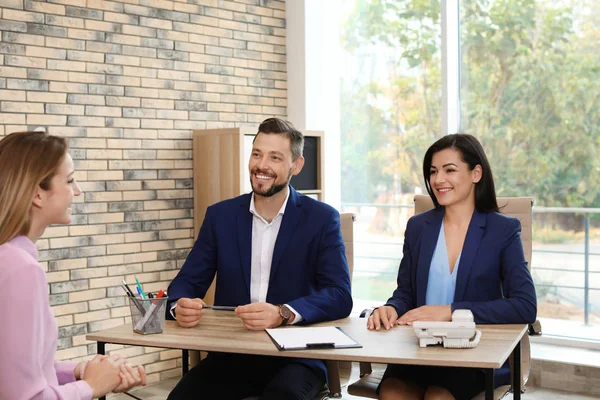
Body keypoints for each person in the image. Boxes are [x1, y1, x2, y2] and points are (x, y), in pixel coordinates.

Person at [166, 118, 353, 400]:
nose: (261, 165)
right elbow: (185, 285)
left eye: (275, 157)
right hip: (234, 353)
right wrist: (177, 306)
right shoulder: (221, 217)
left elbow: (340, 295)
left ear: (296, 165)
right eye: (257, 154)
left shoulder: (321, 219)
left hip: (297, 357)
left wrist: (283, 312)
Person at [368, 134, 537, 400]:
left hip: (471, 351)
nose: (438, 180)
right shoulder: (418, 227)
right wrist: (391, 307)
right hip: (419, 348)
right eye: (433, 171)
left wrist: (448, 312)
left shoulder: (502, 230)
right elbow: (405, 293)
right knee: (392, 393)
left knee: (438, 397)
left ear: (476, 173)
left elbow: (525, 306)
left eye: (450, 170)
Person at [0, 131, 147, 400]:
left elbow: (16, 373)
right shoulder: (21, 270)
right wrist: (91, 387)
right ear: (37, 194)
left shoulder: (9, 258)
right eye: (69, 181)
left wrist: (82, 372)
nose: (77, 190)